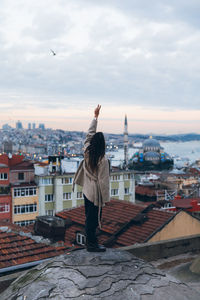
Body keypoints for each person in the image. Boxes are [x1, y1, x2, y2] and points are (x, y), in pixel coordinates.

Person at [74, 105, 110, 252]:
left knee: (88, 217)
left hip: (86, 189)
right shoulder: (103, 160)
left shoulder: (87, 151)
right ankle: (92, 245)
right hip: (95, 192)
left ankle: (90, 243)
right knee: (93, 220)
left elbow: (89, 134)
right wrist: (105, 199)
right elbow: (103, 181)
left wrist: (95, 117)